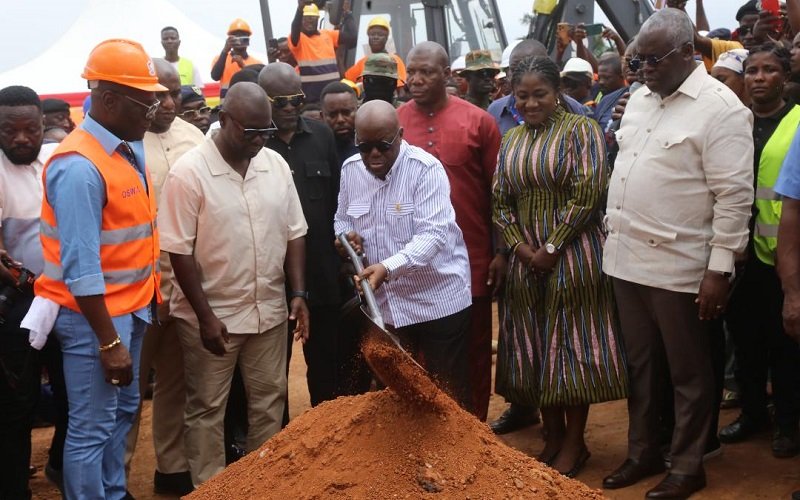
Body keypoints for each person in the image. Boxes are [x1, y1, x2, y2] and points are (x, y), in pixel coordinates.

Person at [601, 9, 754, 498]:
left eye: (654, 59)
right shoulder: (641, 100)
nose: (643, 68)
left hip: (679, 267)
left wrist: (719, 270)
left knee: (688, 372)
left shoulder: (722, 109)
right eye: (638, 59)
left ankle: (688, 464)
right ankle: (644, 451)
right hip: (625, 261)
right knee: (641, 365)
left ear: (689, 53)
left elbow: (734, 198)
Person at [158, 82, 309, 487]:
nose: (260, 141)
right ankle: (210, 488)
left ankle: (262, 486)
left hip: (269, 311)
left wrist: (297, 294)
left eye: (266, 132)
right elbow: (179, 251)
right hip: (213, 318)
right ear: (223, 120)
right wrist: (206, 317)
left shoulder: (274, 164)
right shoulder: (188, 173)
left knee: (269, 403)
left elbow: (295, 231)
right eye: (251, 132)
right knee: (207, 408)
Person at [34, 38, 164, 499]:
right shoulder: (79, 166)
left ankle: (113, 491)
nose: (152, 111)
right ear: (108, 100)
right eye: (144, 102)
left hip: (131, 310)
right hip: (95, 321)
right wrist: (109, 341)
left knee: (123, 413)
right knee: (91, 430)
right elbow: (82, 268)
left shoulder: (127, 148)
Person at [493, 55, 627, 478]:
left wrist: (551, 247)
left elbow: (589, 193)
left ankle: (575, 443)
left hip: (574, 255)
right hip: (525, 261)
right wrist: (519, 248)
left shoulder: (581, 130)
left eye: (540, 95)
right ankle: (551, 436)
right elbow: (499, 200)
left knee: (571, 348)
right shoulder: (511, 139)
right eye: (522, 96)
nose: (531, 104)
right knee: (532, 344)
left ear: (558, 94)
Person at [334, 99, 473, 407]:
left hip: (437, 300)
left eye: (383, 146)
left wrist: (387, 267)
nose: (373, 155)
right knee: (402, 396)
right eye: (364, 146)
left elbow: (434, 235)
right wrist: (346, 238)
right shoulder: (350, 170)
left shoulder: (425, 170)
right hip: (387, 308)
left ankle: (455, 456)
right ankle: (414, 456)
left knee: (448, 395)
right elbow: (342, 219)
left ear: (399, 135)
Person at [397, 41, 502, 421]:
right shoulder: (396, 123)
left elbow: (498, 196)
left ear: (447, 75)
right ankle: (427, 435)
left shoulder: (479, 122)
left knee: (473, 350)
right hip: (412, 262)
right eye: (412, 72)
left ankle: (472, 433)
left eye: (426, 72)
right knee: (419, 351)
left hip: (470, 259)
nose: (416, 80)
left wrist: (500, 252)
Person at [123, 59, 204, 496]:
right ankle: (117, 473)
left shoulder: (195, 138)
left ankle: (171, 470)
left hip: (187, 288)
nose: (169, 103)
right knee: (129, 391)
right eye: (159, 94)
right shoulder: (124, 145)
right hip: (140, 290)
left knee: (178, 383)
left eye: (175, 92)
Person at [717, 43, 800, 458]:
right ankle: (752, 414)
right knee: (745, 342)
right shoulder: (735, 123)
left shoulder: (797, 122)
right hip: (737, 254)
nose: (759, 78)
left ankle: (787, 423)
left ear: (785, 77)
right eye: (752, 71)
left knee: (784, 345)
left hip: (780, 256)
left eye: (769, 70)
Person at [258, 63, 343, 409]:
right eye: (280, 102)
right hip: (271, 277)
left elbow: (340, 200)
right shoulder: (255, 142)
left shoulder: (322, 136)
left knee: (327, 366)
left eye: (296, 99)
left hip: (322, 273)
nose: (290, 108)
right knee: (269, 373)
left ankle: (330, 441)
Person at [0, 85, 58, 500]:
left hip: (67, 300)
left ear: (44, 125)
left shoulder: (58, 161)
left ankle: (61, 468)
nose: (21, 138)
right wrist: (27, 283)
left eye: (30, 129)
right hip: (17, 308)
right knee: (17, 408)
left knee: (75, 396)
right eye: (8, 131)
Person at [487, 40, 592, 139]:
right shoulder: (495, 111)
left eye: (534, 68)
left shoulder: (574, 110)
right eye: (516, 70)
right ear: (507, 74)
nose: (524, 77)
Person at [288, 1, 356, 103]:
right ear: (301, 20)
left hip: (333, 95)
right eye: (306, 18)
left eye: (312, 17)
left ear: (318, 19)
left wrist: (347, 14)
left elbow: (352, 37)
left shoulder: (328, 34)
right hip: (311, 99)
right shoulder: (298, 40)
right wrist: (299, 9)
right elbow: (295, 28)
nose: (309, 20)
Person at [344, 16, 406, 86]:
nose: (375, 37)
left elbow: (400, 90)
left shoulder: (395, 60)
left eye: (380, 34)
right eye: (372, 34)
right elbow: (345, 82)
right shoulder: (363, 62)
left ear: (386, 38)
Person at [211, 19, 262, 97]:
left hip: (250, 102)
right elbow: (215, 76)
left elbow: (259, 84)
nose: (239, 40)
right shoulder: (220, 59)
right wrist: (225, 50)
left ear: (248, 39)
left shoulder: (257, 63)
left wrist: (243, 66)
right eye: (236, 37)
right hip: (228, 105)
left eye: (243, 36)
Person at [320, 81, 359, 163]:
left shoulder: (370, 149)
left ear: (358, 111)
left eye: (346, 113)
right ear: (322, 116)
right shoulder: (315, 151)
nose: (340, 120)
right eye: (332, 115)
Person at [593, 53, 627, 132]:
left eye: (607, 77)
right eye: (599, 77)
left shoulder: (629, 97)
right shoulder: (603, 100)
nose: (601, 82)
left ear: (622, 76)